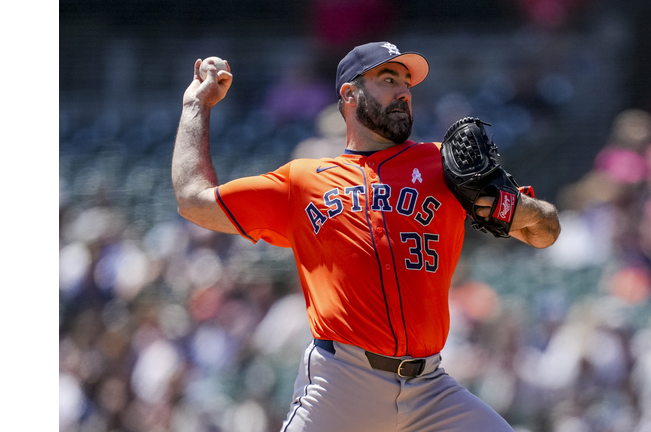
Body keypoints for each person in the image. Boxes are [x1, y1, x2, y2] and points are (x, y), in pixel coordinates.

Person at [172, 41, 561, 432]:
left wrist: (507, 205)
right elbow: (193, 201)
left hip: (429, 389)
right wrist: (196, 104)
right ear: (349, 94)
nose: (403, 90)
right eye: (388, 79)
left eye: (407, 82)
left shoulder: (442, 164)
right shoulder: (303, 180)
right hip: (341, 383)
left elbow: (546, 232)